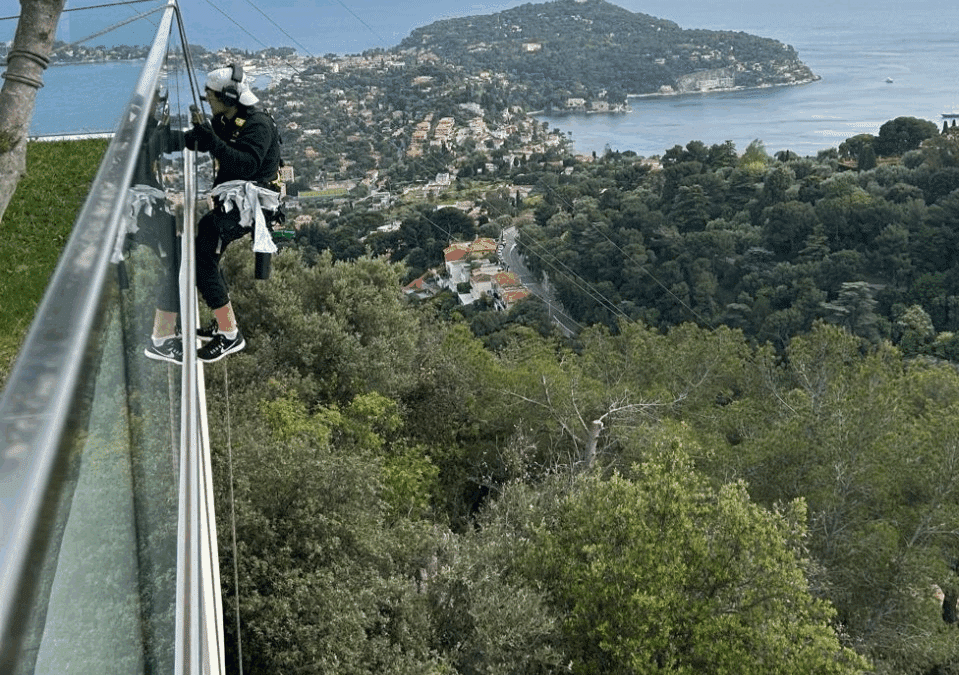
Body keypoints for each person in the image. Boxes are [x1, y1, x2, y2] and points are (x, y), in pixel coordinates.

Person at [145, 64, 282, 364]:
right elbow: (200, 140)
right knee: (202, 254)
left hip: (250, 205)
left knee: (202, 256)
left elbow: (246, 164)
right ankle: (222, 327)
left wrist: (212, 140)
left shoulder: (257, 125)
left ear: (229, 97)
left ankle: (230, 335)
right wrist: (163, 140)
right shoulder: (228, 119)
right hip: (233, 202)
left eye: (210, 95)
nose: (207, 99)